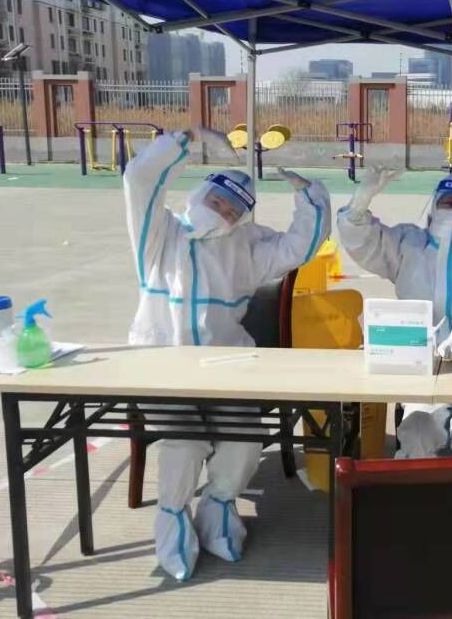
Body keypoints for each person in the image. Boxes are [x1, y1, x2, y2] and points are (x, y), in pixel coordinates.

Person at [122, 127, 332, 581]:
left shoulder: (247, 248)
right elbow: (139, 179)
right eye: (217, 201)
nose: (222, 213)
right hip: (162, 367)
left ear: (241, 220)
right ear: (201, 195)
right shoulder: (159, 234)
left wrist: (310, 197)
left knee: (244, 439)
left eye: (233, 210)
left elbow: (300, 247)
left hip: (226, 367)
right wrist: (184, 140)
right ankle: (173, 522)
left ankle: (217, 511)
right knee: (184, 442)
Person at [338, 165, 452, 458]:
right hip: (419, 359)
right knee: (417, 429)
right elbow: (367, 244)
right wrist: (360, 203)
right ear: (434, 205)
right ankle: (417, 487)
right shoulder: (409, 243)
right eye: (448, 203)